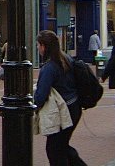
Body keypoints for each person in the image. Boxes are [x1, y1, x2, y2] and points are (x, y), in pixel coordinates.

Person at [34, 30, 87, 166]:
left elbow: (41, 95)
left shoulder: (49, 67)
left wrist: (34, 104)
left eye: (38, 45)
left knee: (54, 150)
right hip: (75, 107)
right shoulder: (66, 59)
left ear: (44, 46)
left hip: (63, 112)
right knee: (61, 146)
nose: (37, 48)